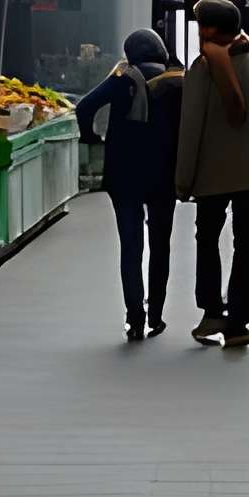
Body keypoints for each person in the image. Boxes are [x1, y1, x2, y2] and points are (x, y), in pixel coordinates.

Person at [171, 0, 249, 348]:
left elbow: (190, 128)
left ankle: (211, 312)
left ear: (209, 29)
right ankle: (238, 322)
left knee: (207, 240)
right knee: (247, 244)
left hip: (211, 176)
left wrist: (183, 180)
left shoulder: (202, 68)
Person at [73, 30, 183, 339]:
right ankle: (157, 316)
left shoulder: (123, 78)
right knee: (161, 244)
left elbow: (84, 108)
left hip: (124, 174)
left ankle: (135, 317)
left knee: (131, 247)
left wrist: (91, 137)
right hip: (165, 173)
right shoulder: (177, 81)